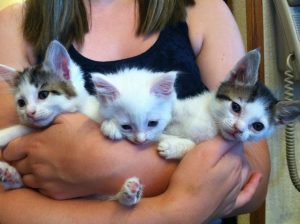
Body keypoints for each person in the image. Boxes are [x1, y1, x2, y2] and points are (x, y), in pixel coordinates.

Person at [0, 0, 270, 223]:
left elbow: (254, 181)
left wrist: (102, 163)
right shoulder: (14, 24)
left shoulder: (204, 9)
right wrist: (172, 210)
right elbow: (7, 205)